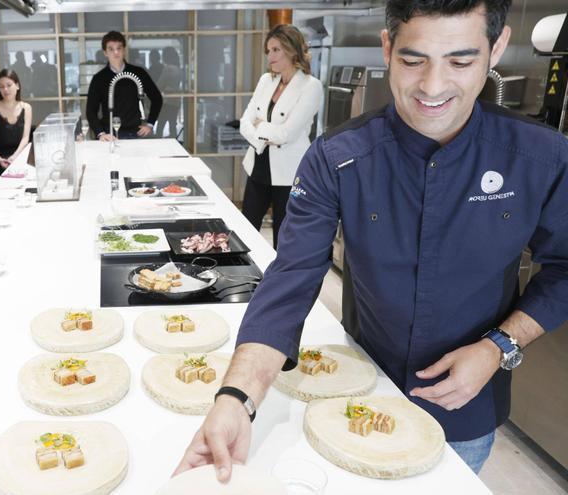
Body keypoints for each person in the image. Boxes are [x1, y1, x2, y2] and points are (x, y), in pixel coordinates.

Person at [175, 0, 568, 479]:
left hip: (468, 408)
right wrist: (238, 396)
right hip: (360, 388)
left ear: (497, 47)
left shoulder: (541, 157)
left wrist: (499, 346)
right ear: (387, 47)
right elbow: (291, 279)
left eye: (461, 62)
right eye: (412, 59)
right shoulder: (337, 157)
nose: (433, 86)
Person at [239, 25, 323, 249]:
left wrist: (261, 126)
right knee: (246, 231)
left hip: (288, 174)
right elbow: (244, 122)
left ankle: (278, 283)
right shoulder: (266, 80)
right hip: (257, 166)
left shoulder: (310, 86)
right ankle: (248, 281)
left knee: (283, 238)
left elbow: (287, 133)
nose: (270, 56)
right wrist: (266, 134)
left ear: (292, 50)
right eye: (268, 51)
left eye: (276, 50)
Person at [85, 31, 163, 141]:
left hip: (135, 133)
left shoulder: (138, 73)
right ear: (105, 53)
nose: (116, 52)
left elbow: (157, 98)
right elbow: (90, 111)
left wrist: (150, 124)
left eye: (119, 48)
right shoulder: (99, 78)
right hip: (109, 134)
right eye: (111, 49)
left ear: (124, 50)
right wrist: (100, 133)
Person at [0, 69, 32, 176]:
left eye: (9, 85)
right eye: (1, 87)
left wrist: (15, 157)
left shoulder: (26, 108)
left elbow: (25, 138)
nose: (5, 89)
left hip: (19, 157)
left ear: (17, 86)